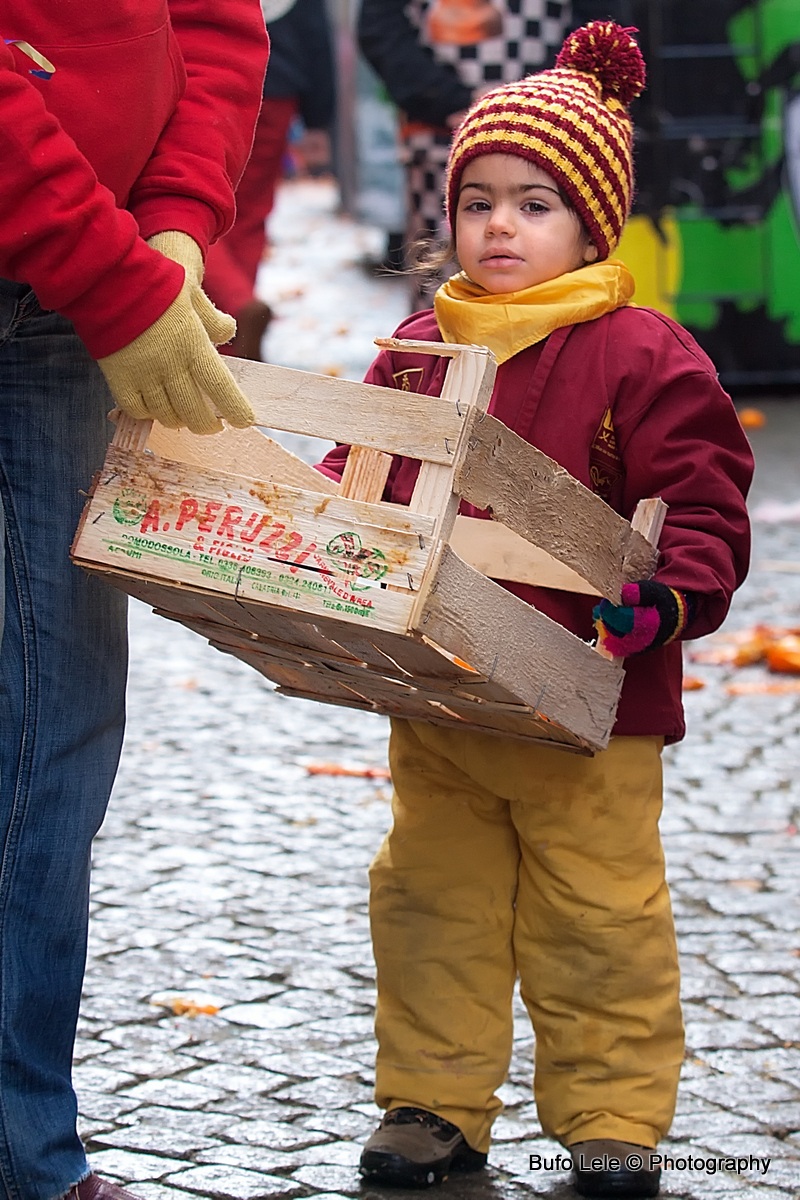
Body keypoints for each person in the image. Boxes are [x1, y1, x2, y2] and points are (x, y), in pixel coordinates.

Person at [315, 21, 753, 1199]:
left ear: (591, 222)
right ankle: (433, 1105)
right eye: (480, 202)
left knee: (596, 914)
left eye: (537, 203)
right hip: (444, 691)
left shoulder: (640, 353)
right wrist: (320, 546)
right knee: (429, 903)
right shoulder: (417, 348)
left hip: (587, 705)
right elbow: (364, 478)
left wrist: (670, 597)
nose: (500, 227)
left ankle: (612, 1119)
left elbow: (702, 499)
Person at [0, 6, 268, 1200]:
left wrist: (174, 224)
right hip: (83, 278)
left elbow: (215, 25)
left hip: (69, 312)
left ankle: (24, 1155)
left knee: (51, 736)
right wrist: (114, 269)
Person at [356, 0, 622, 306]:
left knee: (553, 285)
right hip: (440, 137)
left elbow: (599, 21)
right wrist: (448, 99)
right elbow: (380, 26)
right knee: (440, 286)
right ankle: (438, 354)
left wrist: (549, 97)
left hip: (555, 132)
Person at [203, 0, 337, 360]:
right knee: (249, 212)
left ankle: (232, 307)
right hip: (277, 88)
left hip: (209, 82)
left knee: (199, 202)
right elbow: (316, 34)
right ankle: (235, 329)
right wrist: (318, 118)